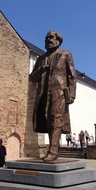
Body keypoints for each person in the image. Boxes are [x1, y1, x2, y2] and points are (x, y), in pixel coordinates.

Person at [30, 31, 77, 161]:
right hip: (43, 94)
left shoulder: (65, 54)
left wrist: (71, 94)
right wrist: (41, 70)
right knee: (48, 121)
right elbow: (32, 78)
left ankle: (53, 151)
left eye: (51, 37)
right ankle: (53, 150)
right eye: (46, 38)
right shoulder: (41, 58)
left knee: (56, 120)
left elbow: (72, 75)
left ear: (58, 40)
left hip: (59, 93)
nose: (48, 40)